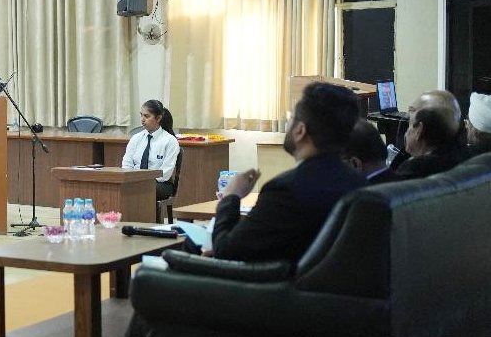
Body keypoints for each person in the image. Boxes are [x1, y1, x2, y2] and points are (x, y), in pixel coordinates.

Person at [211, 82, 367, 264]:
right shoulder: (360, 183)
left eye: (290, 118)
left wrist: (231, 196)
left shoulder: (285, 190)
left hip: (278, 281)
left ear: (300, 131)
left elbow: (226, 251)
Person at [394, 90, 467, 180]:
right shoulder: (465, 156)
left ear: (419, 130)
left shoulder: (412, 171)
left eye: (412, 110)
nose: (407, 131)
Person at [121, 100, 181, 202]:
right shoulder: (136, 138)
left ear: (158, 118)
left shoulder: (170, 141)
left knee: (140, 188)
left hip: (160, 184)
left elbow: (165, 173)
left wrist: (144, 181)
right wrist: (132, 179)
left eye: (146, 116)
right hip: (135, 181)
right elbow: (127, 164)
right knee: (120, 187)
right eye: (141, 115)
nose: (142, 119)